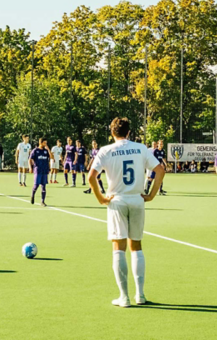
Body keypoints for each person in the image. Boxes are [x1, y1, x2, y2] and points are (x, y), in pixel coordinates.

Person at [88, 117, 165, 308]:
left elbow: (91, 176)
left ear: (112, 133)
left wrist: (100, 198)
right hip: (137, 200)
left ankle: (124, 297)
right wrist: (152, 194)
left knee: (118, 247)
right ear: (129, 132)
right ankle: (140, 295)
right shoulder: (141, 148)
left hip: (117, 201)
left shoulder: (105, 150)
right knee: (136, 246)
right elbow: (160, 170)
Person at [29, 138, 51, 206]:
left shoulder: (46, 151)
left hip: (44, 170)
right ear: (40, 143)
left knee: (43, 186)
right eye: (44, 143)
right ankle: (32, 195)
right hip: (37, 170)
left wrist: (48, 149)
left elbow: (51, 157)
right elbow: (30, 159)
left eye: (46, 143)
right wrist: (30, 167)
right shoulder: (35, 150)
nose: (45, 144)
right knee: (36, 185)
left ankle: (42, 201)